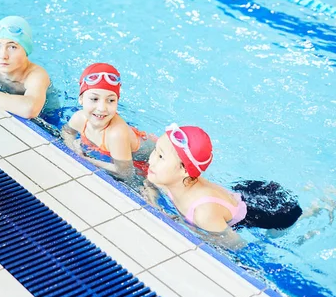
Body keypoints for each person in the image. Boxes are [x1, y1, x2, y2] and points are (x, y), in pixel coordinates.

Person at [144, 123, 302, 237]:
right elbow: (150, 184)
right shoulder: (163, 179)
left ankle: (319, 206)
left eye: (160, 156)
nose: (151, 160)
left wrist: (188, 227)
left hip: (265, 211)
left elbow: (236, 244)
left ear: (184, 170)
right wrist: (154, 204)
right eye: (155, 151)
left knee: (289, 221)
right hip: (240, 192)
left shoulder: (203, 213)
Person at [61, 63, 155, 181]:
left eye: (110, 100)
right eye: (94, 99)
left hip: (147, 159)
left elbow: (126, 173)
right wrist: (73, 148)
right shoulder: (79, 118)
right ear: (81, 99)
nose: (102, 108)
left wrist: (86, 159)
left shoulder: (116, 134)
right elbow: (67, 132)